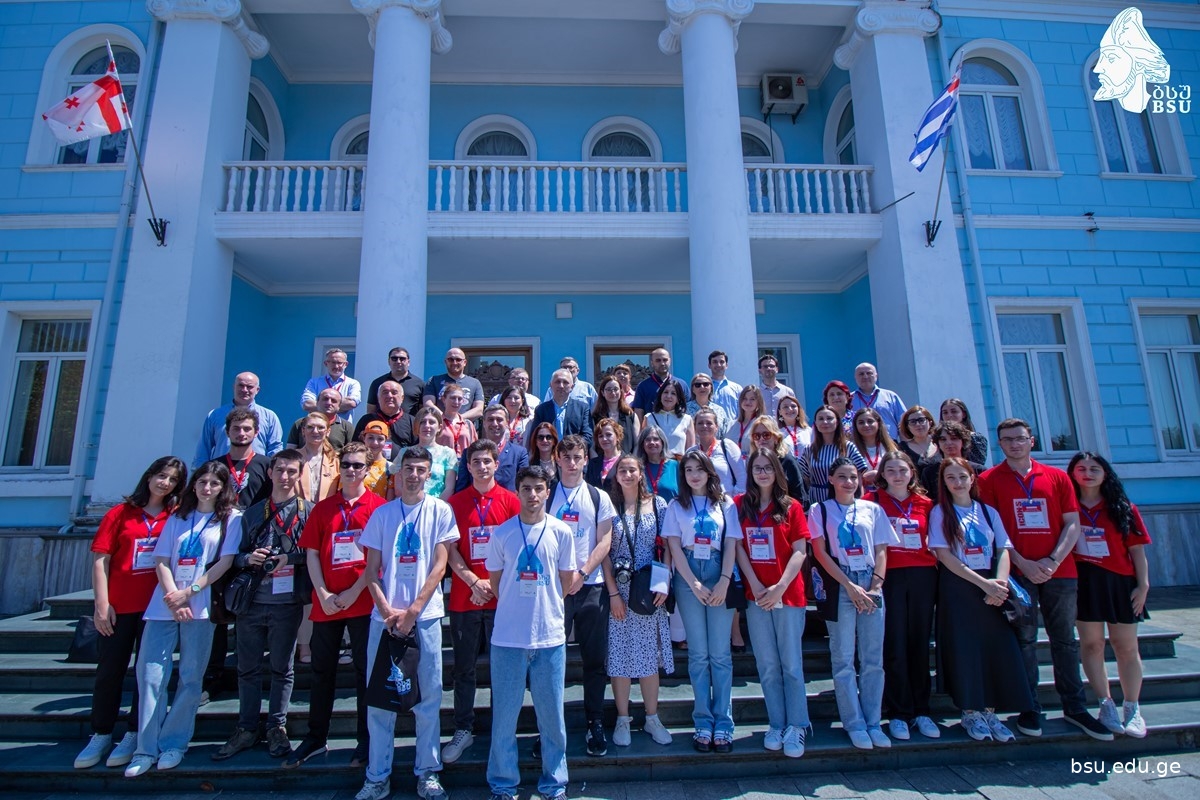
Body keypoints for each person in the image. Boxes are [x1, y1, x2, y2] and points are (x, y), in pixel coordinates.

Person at [976, 419, 1112, 741]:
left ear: (1031, 441)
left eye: (1020, 438)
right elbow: (993, 529)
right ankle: (1030, 706)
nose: (1014, 444)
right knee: (1024, 640)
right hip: (1018, 572)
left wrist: (1052, 561)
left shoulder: (1057, 477)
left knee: (1064, 640)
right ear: (1000, 444)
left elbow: (1072, 524)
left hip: (1059, 572)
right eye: (1007, 439)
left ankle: (1075, 707)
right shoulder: (988, 480)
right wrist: (1023, 563)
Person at [124, 462, 242, 778]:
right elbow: (161, 559)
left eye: (214, 483)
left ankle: (174, 743)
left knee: (191, 678)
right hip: (164, 606)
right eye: (202, 482)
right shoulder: (178, 516)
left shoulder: (231, 518)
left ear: (223, 488)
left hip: (200, 607)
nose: (207, 488)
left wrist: (190, 592)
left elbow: (225, 562)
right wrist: (173, 595)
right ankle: (145, 749)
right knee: (150, 677)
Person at [357, 447, 458, 800]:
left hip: (425, 618)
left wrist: (413, 611)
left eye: (421, 470)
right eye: (409, 469)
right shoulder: (382, 514)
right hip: (383, 621)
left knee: (429, 697)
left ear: (429, 475)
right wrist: (387, 611)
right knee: (379, 701)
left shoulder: (440, 511)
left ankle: (427, 771)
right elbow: (371, 571)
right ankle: (377, 775)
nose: (414, 475)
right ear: (398, 473)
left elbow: (440, 567)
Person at [76, 457, 186, 771]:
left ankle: (135, 732)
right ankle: (101, 732)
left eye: (173, 480)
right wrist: (101, 604)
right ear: (149, 476)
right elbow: (101, 560)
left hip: (156, 608)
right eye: (161, 476)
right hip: (120, 606)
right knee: (110, 670)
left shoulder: (175, 515)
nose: (165, 483)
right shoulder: (120, 513)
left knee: (147, 673)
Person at [290, 442, 384, 769]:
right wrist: (323, 593)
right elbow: (312, 553)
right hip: (327, 603)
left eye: (358, 465)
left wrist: (355, 591)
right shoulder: (323, 508)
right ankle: (316, 738)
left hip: (363, 601)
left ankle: (365, 741)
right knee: (321, 672)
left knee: (364, 673)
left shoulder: (379, 508)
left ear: (367, 469)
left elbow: (378, 560)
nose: (351, 470)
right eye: (346, 465)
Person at [929, 457, 1035, 743]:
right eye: (951, 478)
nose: (957, 482)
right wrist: (983, 584)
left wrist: (999, 584)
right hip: (960, 587)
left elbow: (1003, 549)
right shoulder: (940, 512)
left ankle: (990, 711)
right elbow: (944, 555)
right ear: (944, 483)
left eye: (962, 476)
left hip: (993, 589)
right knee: (965, 650)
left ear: (972, 478)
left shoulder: (988, 512)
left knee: (994, 649)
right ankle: (970, 711)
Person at [485, 465, 575, 800]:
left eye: (539, 488)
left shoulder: (561, 532)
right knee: (504, 718)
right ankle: (503, 783)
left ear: (547, 492)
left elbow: (565, 581)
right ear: (517, 492)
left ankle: (555, 783)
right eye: (526, 488)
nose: (533, 495)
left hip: (549, 637)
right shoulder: (503, 533)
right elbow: (496, 583)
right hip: (508, 638)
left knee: (552, 719)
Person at [214, 449, 310, 762]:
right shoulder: (252, 513)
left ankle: (276, 726)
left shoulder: (307, 512)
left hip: (287, 602)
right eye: (280, 470)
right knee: (248, 668)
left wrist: (289, 558)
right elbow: (233, 556)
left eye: (292, 471)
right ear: (270, 473)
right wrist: (248, 559)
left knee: (283, 668)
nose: (285, 476)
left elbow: (313, 555)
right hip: (252, 602)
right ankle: (246, 727)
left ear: (299, 475)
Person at [807, 457, 899, 750]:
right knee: (843, 657)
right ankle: (854, 722)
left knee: (873, 658)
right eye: (842, 477)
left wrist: (875, 585)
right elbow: (820, 553)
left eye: (853, 477)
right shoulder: (819, 510)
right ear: (831, 479)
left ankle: (873, 721)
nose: (849, 482)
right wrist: (850, 586)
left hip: (871, 581)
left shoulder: (873, 509)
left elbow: (881, 550)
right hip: (840, 582)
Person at [442, 440, 522, 764]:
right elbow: (449, 550)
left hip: (502, 600)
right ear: (469, 466)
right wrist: (474, 581)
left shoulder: (511, 501)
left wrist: (492, 585)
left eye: (487, 461)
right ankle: (464, 728)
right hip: (466, 598)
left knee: (504, 670)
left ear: (496, 464)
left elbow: (518, 550)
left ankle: (503, 730)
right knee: (464, 669)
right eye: (476, 461)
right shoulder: (455, 503)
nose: (482, 466)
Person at [733, 448, 812, 758]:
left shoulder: (791, 506)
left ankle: (798, 724)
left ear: (777, 472)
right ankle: (777, 723)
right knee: (767, 665)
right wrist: (754, 584)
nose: (762, 473)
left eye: (768, 467)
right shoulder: (741, 505)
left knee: (791, 664)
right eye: (757, 468)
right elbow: (738, 547)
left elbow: (800, 551)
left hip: (787, 595)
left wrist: (779, 587)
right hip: (757, 596)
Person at [662, 451, 742, 753]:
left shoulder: (725, 503)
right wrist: (692, 583)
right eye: (688, 470)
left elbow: (731, 543)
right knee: (698, 655)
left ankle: (724, 722)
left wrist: (724, 579)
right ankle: (703, 721)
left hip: (718, 570)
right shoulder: (676, 506)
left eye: (699, 469)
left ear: (709, 472)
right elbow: (673, 546)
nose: (694, 475)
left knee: (720, 654)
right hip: (688, 574)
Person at [1069, 452, 1152, 738]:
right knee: (1092, 645)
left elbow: (1137, 550)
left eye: (1094, 469)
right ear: (1072, 474)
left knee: (1125, 646)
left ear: (1106, 474)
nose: (1088, 473)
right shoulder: (1067, 506)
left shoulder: (1122, 507)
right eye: (1081, 468)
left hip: (1120, 583)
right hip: (1085, 583)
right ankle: (1105, 704)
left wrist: (1143, 586)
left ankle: (1132, 706)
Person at [549, 434, 617, 756]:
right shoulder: (547, 493)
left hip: (592, 587)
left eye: (578, 457)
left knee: (594, 660)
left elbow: (605, 541)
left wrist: (583, 573)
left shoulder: (598, 496)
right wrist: (565, 578)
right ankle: (550, 727)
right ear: (557, 460)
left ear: (586, 460)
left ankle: (595, 722)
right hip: (554, 589)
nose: (572, 463)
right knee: (551, 661)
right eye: (566, 457)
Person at [865, 451, 940, 741]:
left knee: (918, 643)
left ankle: (922, 710)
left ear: (912, 473)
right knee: (894, 643)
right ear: (882, 474)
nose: (897, 476)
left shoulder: (926, 504)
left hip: (922, 576)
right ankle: (898, 712)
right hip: (889, 577)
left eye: (902, 470)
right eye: (891, 471)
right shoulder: (871, 502)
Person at [603, 456, 674, 748]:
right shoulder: (608, 507)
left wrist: (664, 583)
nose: (628, 474)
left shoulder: (658, 505)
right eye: (622, 470)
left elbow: (668, 547)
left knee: (648, 658)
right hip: (620, 591)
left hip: (648, 590)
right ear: (616, 475)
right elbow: (604, 554)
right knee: (619, 657)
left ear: (641, 473)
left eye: (632, 469)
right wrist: (613, 594)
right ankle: (623, 718)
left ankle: (652, 717)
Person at [194, 371, 283, 467]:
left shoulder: (269, 417)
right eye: (241, 385)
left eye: (249, 387)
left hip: (255, 471)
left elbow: (275, 449)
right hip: (222, 471)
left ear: (257, 390)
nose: (244, 390)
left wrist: (271, 471)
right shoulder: (215, 415)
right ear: (234, 387)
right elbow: (203, 449)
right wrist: (199, 472)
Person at [453, 405, 529, 493]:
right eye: (490, 419)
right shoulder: (469, 452)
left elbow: (524, 486)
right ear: (484, 423)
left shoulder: (519, 453)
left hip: (507, 501)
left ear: (507, 423)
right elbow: (461, 488)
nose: (495, 424)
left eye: (499, 419)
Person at [800, 406, 868, 504]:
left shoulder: (848, 447)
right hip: (817, 500)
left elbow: (859, 477)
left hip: (844, 499)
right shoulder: (809, 449)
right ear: (816, 423)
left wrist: (859, 500)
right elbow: (805, 478)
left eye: (829, 418)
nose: (825, 422)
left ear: (837, 422)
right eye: (821, 419)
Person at [746, 416, 808, 504]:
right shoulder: (752, 463)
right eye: (756, 436)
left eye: (766, 435)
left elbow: (800, 497)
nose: (761, 439)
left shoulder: (788, 462)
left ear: (776, 438)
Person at [403, 406, 459, 501]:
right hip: (408, 505)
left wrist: (434, 506)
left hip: (438, 506)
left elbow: (449, 488)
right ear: (416, 426)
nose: (427, 426)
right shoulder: (404, 452)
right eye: (422, 422)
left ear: (439, 427)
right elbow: (398, 487)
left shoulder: (448, 454)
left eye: (432, 422)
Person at [529, 369, 593, 451]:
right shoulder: (541, 409)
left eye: (565, 382)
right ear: (551, 385)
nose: (561, 386)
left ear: (572, 387)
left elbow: (588, 436)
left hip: (573, 455)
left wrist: (568, 451)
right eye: (557, 382)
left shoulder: (582, 408)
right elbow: (535, 436)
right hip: (548, 455)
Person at [923, 421, 985, 502]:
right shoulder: (929, 472)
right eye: (943, 439)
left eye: (954, 438)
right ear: (937, 443)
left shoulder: (979, 470)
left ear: (963, 441)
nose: (948, 443)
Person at [221, 408, 272, 508]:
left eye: (247, 429)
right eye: (236, 429)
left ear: (256, 432)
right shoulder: (216, 466)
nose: (241, 433)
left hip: (255, 517)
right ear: (227, 432)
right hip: (222, 517)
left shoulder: (267, 465)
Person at [353, 381, 416, 460]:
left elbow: (417, 450)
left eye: (394, 392)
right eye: (385, 392)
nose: (389, 396)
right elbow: (356, 447)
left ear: (402, 398)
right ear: (378, 397)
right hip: (371, 465)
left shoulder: (412, 422)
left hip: (401, 466)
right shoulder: (366, 420)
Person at [690, 408, 745, 497]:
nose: (704, 426)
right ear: (695, 427)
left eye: (709, 423)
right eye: (700, 423)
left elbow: (742, 478)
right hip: (700, 502)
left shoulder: (727, 446)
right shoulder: (691, 452)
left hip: (726, 502)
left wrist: (732, 501)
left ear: (716, 427)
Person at [424, 347, 485, 421]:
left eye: (458, 359)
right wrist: (444, 418)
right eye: (451, 359)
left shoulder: (475, 383)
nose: (454, 362)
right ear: (446, 362)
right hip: (441, 425)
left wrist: (458, 419)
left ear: (465, 362)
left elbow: (479, 410)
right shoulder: (434, 380)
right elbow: (428, 403)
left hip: (465, 426)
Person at [301, 348, 360, 422]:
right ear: (326, 363)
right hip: (317, 426)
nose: (336, 366)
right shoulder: (314, 382)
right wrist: (337, 406)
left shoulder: (353, 383)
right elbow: (307, 404)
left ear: (346, 364)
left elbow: (351, 403)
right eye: (333, 362)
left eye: (339, 363)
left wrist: (321, 406)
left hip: (341, 427)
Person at [849, 363, 906, 439]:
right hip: (859, 443)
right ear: (855, 377)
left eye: (869, 373)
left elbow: (903, 423)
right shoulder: (849, 399)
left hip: (889, 442)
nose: (865, 376)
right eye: (861, 374)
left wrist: (904, 444)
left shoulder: (891, 396)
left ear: (876, 376)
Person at [368, 346, 426, 417]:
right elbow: (371, 410)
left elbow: (422, 411)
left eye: (402, 359)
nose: (398, 361)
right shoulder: (378, 383)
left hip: (410, 423)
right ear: (389, 361)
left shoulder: (419, 384)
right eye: (394, 359)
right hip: (382, 423)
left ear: (408, 362)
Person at [288, 388, 354, 451]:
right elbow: (290, 452)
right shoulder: (301, 423)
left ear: (339, 406)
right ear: (317, 402)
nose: (329, 403)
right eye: (325, 399)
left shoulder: (347, 427)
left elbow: (351, 453)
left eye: (333, 401)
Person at [851, 407, 898, 492]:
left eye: (870, 421)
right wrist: (862, 477)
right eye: (861, 422)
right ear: (856, 426)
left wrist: (879, 474)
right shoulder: (851, 448)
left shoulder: (889, 447)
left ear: (878, 423)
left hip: (887, 493)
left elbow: (898, 470)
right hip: (861, 495)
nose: (866, 425)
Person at [644, 379, 694, 457]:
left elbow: (690, 450)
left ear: (678, 399)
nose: (668, 396)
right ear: (660, 395)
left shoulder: (687, 419)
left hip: (678, 463)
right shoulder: (649, 418)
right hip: (655, 462)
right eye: (666, 392)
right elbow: (643, 445)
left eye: (673, 393)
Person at [296, 412, 339, 503]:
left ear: (328, 432)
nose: (315, 431)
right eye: (310, 427)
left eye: (320, 427)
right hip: (298, 510)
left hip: (327, 510)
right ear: (303, 431)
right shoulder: (293, 458)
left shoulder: (336, 461)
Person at [633, 348, 689, 419]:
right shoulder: (643, 386)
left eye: (665, 360)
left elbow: (688, 408)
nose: (662, 363)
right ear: (652, 363)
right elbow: (638, 412)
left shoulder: (682, 384)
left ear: (670, 361)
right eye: (658, 360)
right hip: (652, 425)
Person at [592, 375, 639, 454]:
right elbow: (592, 447)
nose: (613, 392)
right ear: (603, 393)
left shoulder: (631, 416)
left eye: (616, 389)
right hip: (603, 461)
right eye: (609, 389)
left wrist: (632, 460)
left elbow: (637, 444)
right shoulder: (595, 417)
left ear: (621, 391)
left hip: (627, 460)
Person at [897, 406, 940, 492]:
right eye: (912, 422)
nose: (917, 424)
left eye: (921, 420)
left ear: (930, 422)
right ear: (907, 426)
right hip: (916, 494)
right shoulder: (901, 449)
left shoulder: (941, 444)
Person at [940, 398, 989, 466]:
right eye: (945, 412)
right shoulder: (938, 438)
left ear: (963, 414)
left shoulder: (976, 438)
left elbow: (978, 465)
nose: (949, 415)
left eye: (954, 411)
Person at [435, 383, 477, 459]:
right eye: (453, 398)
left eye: (459, 399)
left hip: (464, 464)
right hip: (443, 463)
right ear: (444, 399)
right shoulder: (437, 423)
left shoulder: (468, 424)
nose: (456, 402)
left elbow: (474, 448)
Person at [637, 427, 679, 502]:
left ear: (662, 443)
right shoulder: (638, 468)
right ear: (642, 444)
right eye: (647, 439)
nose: (652, 442)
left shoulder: (675, 466)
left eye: (656, 439)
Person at [687, 373, 731, 439]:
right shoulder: (685, 409)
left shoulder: (720, 410)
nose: (702, 387)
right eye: (697, 385)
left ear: (711, 388)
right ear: (693, 389)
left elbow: (725, 434)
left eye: (706, 384)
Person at [585, 419, 624, 491]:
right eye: (601, 436)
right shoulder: (592, 464)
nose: (604, 439)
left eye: (608, 435)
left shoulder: (626, 461)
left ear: (618, 436)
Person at [360, 421, 396, 498]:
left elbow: (390, 501)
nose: (375, 443)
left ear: (386, 441)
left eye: (380, 439)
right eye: (370, 438)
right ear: (364, 438)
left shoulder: (390, 468)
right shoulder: (353, 464)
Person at [707, 350, 743, 422]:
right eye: (715, 362)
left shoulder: (737, 388)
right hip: (710, 427)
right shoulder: (704, 387)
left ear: (726, 365)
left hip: (732, 428)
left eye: (722, 362)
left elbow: (743, 412)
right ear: (709, 365)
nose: (718, 365)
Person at [730, 385, 766, 456]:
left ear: (758, 402)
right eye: (744, 398)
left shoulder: (763, 424)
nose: (748, 402)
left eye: (752, 399)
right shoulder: (731, 425)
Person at [776, 396, 812, 460]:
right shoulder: (777, 433)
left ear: (798, 409)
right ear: (780, 412)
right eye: (785, 407)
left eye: (793, 406)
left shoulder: (808, 431)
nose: (790, 409)